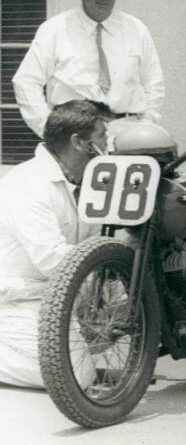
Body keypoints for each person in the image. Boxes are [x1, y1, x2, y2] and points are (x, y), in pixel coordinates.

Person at [0, 99, 112, 388]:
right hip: (18, 300)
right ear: (79, 142)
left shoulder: (82, 181)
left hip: (57, 299)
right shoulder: (27, 184)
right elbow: (51, 260)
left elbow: (94, 238)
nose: (108, 147)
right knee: (78, 375)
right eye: (103, 137)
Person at [13, 0, 164, 145]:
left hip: (127, 134)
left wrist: (146, 125)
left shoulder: (136, 29)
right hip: (73, 138)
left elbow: (154, 84)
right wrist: (49, 131)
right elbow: (26, 82)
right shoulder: (55, 29)